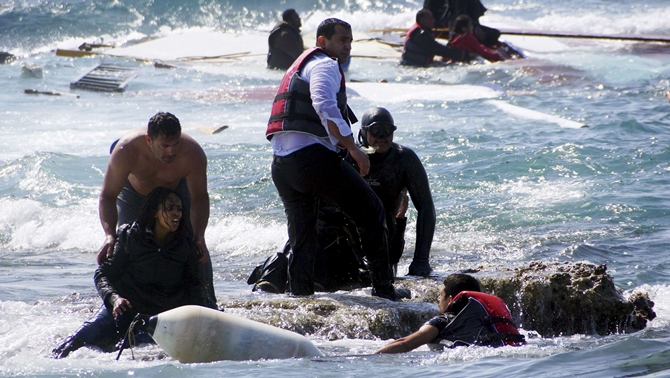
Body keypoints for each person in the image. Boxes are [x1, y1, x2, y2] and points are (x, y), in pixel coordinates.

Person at [266, 18, 409, 300]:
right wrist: (352, 148)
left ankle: (301, 294)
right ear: (322, 42)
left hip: (283, 165)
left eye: (350, 41)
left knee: (303, 234)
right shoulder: (324, 64)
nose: (347, 47)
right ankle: (384, 289)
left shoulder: (302, 64)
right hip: (310, 160)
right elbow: (324, 104)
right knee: (372, 211)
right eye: (342, 40)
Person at [52, 187, 217, 358]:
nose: (176, 213)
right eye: (169, 208)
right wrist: (115, 299)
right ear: (154, 212)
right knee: (74, 343)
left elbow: (194, 285)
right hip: (123, 310)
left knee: (137, 350)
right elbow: (102, 275)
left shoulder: (186, 245)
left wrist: (204, 317)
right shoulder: (130, 236)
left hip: (159, 317)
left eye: (179, 209)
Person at [97, 112, 215, 305]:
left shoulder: (192, 154)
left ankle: (207, 304)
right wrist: (109, 234)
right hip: (135, 195)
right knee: (124, 246)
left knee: (194, 247)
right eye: (164, 146)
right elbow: (107, 196)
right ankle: (118, 305)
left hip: (175, 191)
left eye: (175, 144)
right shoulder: (126, 150)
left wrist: (199, 234)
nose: (171, 152)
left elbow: (200, 197)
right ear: (148, 141)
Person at [374, 273, 525, 354]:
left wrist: (372, 358)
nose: (438, 299)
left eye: (441, 295)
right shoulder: (489, 320)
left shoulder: (445, 320)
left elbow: (405, 344)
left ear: (451, 299)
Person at [401, 9, 468, 67]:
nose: (434, 20)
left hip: (415, 63)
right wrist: (462, 54)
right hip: (413, 65)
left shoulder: (420, 30)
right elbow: (438, 49)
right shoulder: (421, 34)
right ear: (422, 21)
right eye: (430, 18)